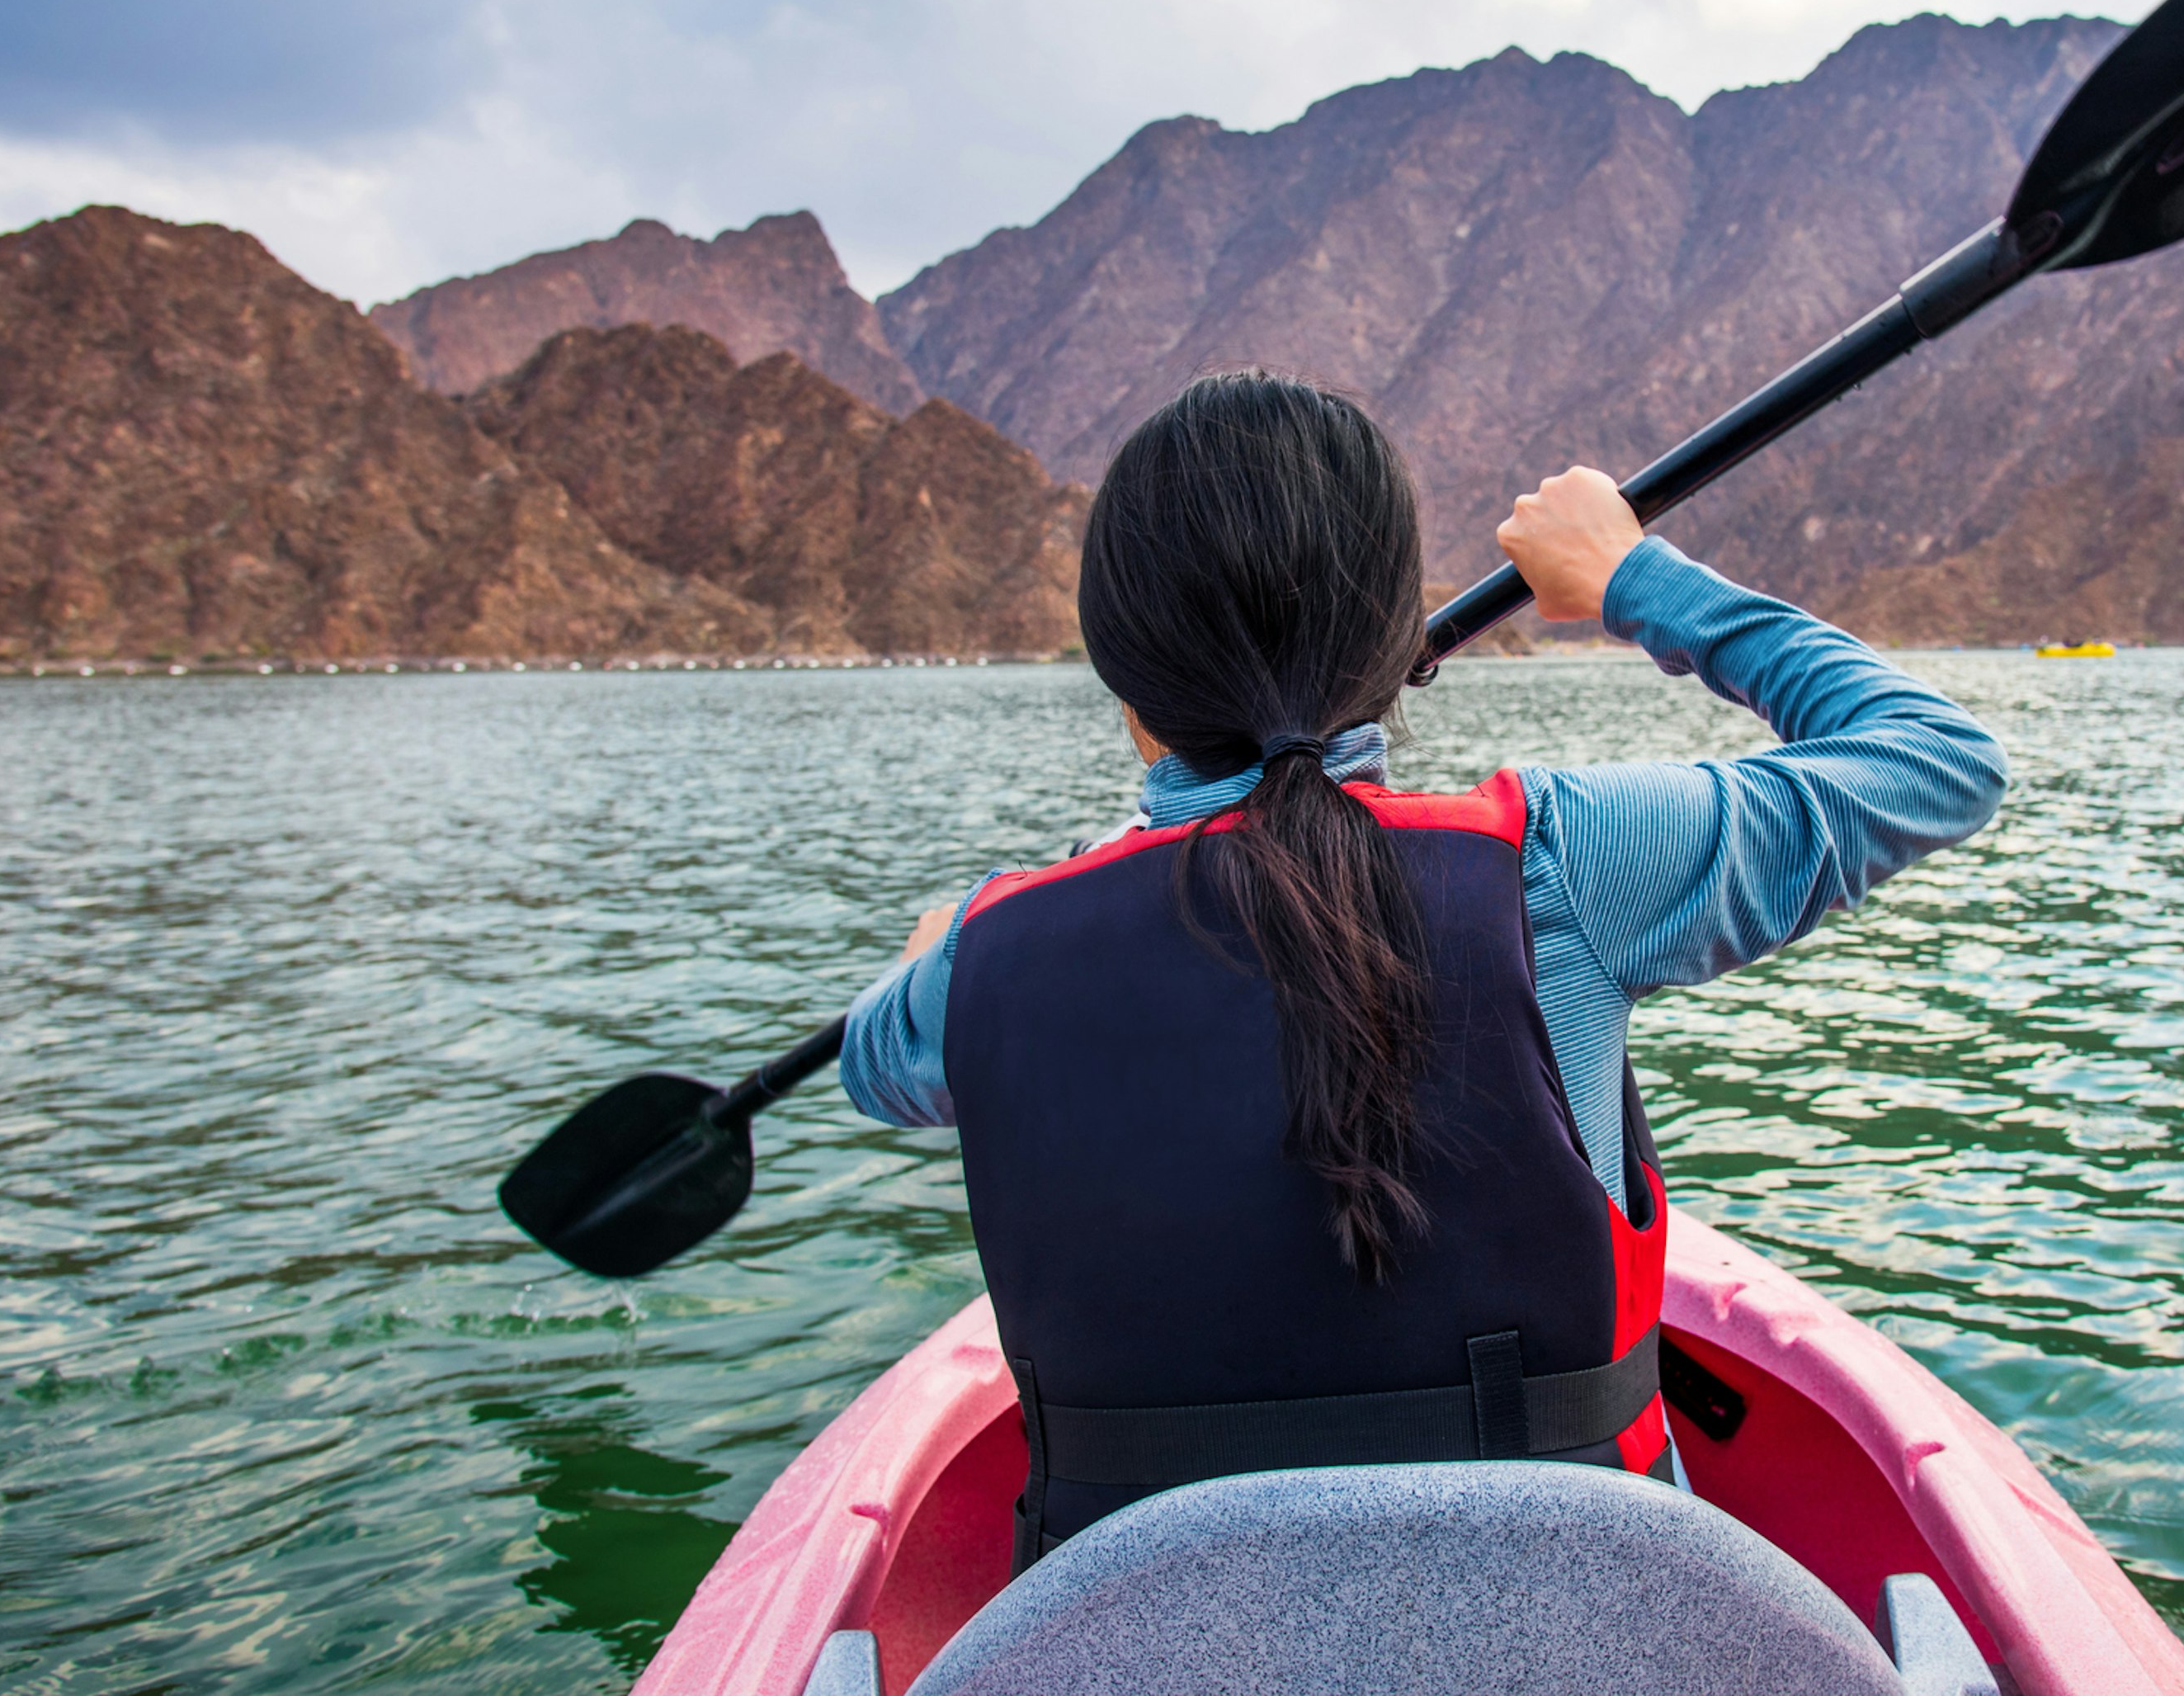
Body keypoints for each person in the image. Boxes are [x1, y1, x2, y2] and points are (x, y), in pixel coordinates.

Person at [841, 372, 2007, 1566]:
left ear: (1129, 696)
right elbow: (1939, 761)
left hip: (1143, 1634)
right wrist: (1630, 580)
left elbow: (875, 1062)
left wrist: (954, 940)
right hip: (1579, 1614)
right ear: (1403, 649)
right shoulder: (1567, 861)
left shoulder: (989, 957)